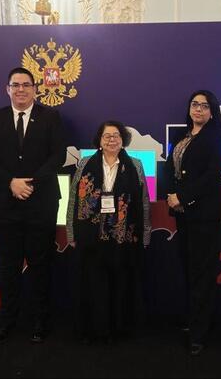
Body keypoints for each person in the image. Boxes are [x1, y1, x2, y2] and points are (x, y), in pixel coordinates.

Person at [0, 67, 65, 345]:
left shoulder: (50, 117)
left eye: (26, 85)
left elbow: (58, 156)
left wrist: (29, 183)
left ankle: (41, 321)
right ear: (7, 89)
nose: (20, 90)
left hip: (41, 203)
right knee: (9, 263)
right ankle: (6, 321)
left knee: (41, 264)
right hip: (5, 204)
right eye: (15, 85)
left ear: (35, 89)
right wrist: (11, 183)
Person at [66, 121, 151, 344]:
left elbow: (143, 202)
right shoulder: (85, 163)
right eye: (107, 136)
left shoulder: (136, 165)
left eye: (116, 136)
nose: (112, 140)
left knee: (121, 282)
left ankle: (119, 329)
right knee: (94, 283)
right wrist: (71, 232)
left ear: (123, 140)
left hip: (124, 236)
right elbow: (73, 199)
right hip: (90, 235)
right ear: (99, 140)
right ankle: (95, 330)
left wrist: (145, 233)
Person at [165, 90, 221, 356]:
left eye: (204, 105)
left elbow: (214, 175)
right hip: (183, 214)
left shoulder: (218, 137)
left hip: (206, 214)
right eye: (195, 104)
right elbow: (170, 169)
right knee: (189, 269)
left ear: (212, 111)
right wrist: (171, 195)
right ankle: (193, 320)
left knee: (203, 273)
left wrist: (183, 196)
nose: (198, 109)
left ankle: (199, 332)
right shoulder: (182, 136)